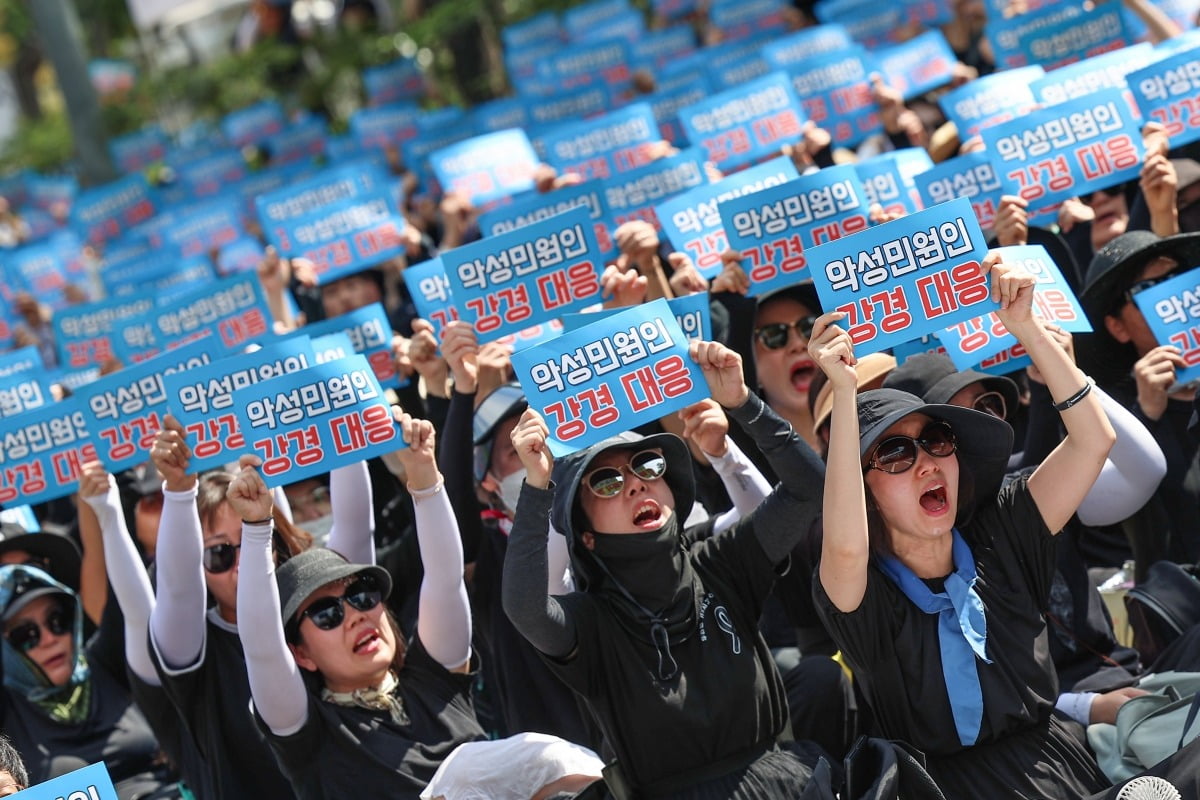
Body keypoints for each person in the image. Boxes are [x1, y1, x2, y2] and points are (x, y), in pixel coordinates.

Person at [811, 251, 1118, 799]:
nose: (927, 461)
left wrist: (1026, 327)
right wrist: (843, 389)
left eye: (937, 440)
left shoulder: (1002, 525)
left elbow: (1095, 439)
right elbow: (846, 545)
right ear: (864, 492)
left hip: (1056, 766)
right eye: (896, 453)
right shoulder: (864, 590)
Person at [502, 339, 834, 798]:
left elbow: (808, 489)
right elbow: (525, 609)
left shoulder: (721, 562)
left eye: (647, 465)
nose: (636, 485)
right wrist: (538, 488)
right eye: (606, 481)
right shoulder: (589, 622)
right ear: (586, 535)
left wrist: (742, 403)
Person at [233, 412, 488, 798]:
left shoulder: (436, 678)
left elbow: (445, 577)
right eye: (326, 614)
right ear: (301, 655)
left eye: (362, 596)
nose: (354, 615)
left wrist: (423, 477)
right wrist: (255, 529)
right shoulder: (314, 735)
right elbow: (262, 647)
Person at [147, 414, 337, 799]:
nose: (241, 563)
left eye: (253, 538)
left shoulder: (326, 609)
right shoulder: (190, 645)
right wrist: (180, 490)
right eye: (218, 554)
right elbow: (178, 591)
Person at [0, 563, 180, 799]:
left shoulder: (106, 662)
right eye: (26, 635)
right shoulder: (7, 710)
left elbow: (149, 585)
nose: (49, 639)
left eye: (57, 620)